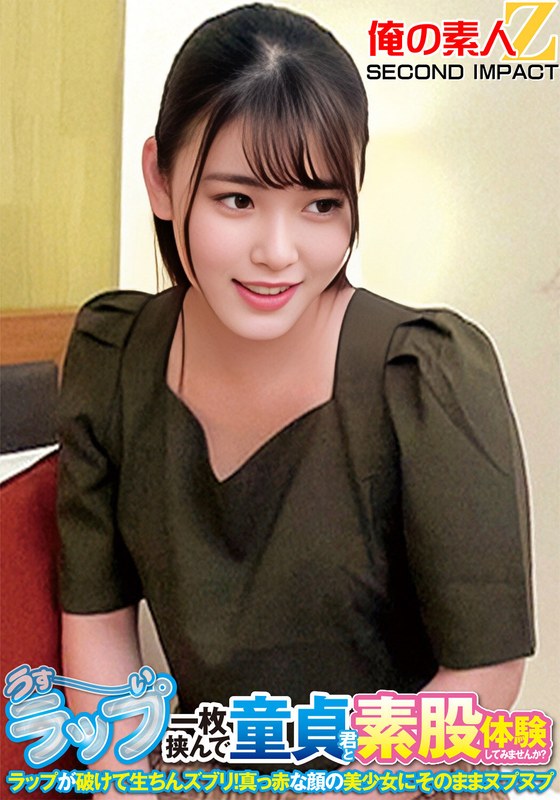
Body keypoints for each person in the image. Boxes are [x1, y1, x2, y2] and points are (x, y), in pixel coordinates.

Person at [57, 4, 535, 798]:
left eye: (319, 205)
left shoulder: (425, 375)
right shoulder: (113, 360)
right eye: (237, 200)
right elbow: (99, 631)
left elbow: (483, 684)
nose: (277, 253)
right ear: (161, 179)